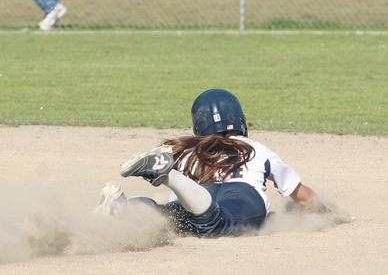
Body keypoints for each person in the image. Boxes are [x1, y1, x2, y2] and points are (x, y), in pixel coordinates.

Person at [96, 89, 326, 237]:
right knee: (217, 225)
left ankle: (126, 207)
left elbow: (176, 202)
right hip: (241, 193)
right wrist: (326, 211)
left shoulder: (186, 151)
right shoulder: (256, 148)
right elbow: (304, 197)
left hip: (197, 194)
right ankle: (169, 176)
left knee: (167, 215)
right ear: (239, 120)